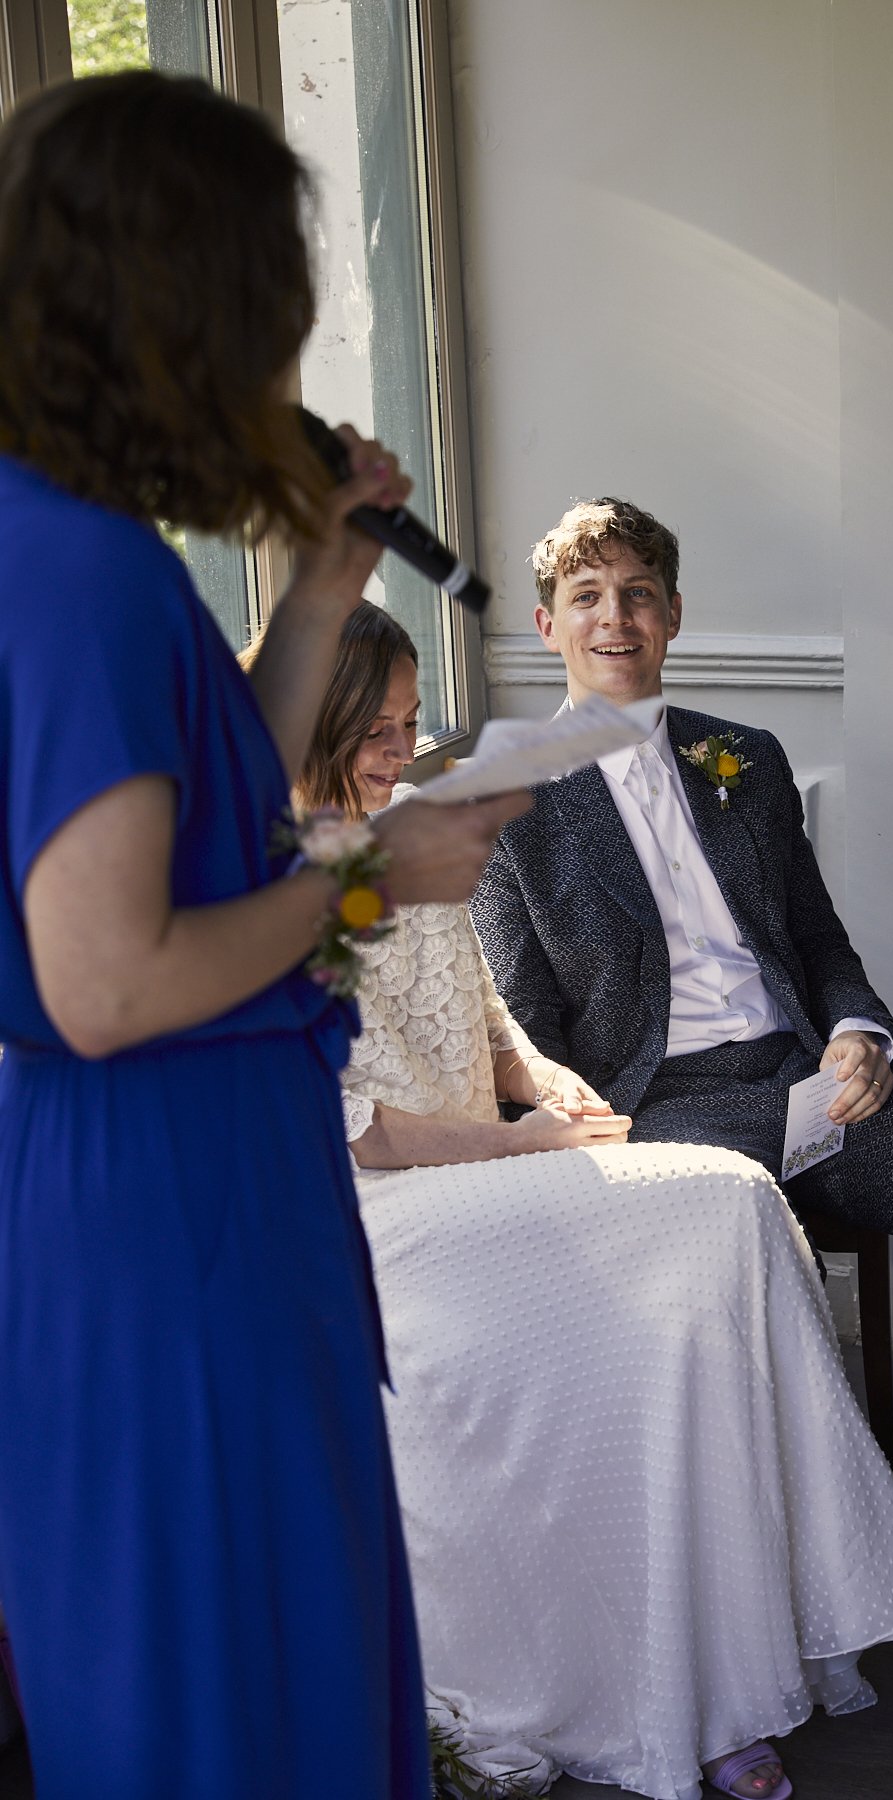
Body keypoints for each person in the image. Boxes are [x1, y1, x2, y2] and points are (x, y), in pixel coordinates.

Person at [0, 72, 524, 1800]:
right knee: (225, 1688)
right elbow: (110, 980)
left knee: (270, 1653)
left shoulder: (77, 545)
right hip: (171, 1213)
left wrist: (314, 595)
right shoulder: (74, 571)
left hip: (191, 1183)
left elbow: (202, 811)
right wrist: (378, 873)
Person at [301, 601, 893, 1800]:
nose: (401, 747)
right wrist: (523, 1140)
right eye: (376, 729)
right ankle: (727, 1676)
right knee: (715, 1208)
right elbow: (350, 1130)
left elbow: (487, 1020)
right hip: (385, 1209)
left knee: (733, 1206)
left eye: (410, 720)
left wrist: (558, 1092)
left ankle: (761, 1654)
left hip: (498, 1162)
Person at [471, 497, 893, 1639]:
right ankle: (804, 1548)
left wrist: (858, 1030)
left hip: (804, 1069)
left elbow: (817, 944)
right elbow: (524, 1030)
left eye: (638, 594)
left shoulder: (743, 760)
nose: (615, 616)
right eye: (588, 597)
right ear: (545, 626)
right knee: (755, 1239)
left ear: (673, 616)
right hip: (658, 1113)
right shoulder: (506, 805)